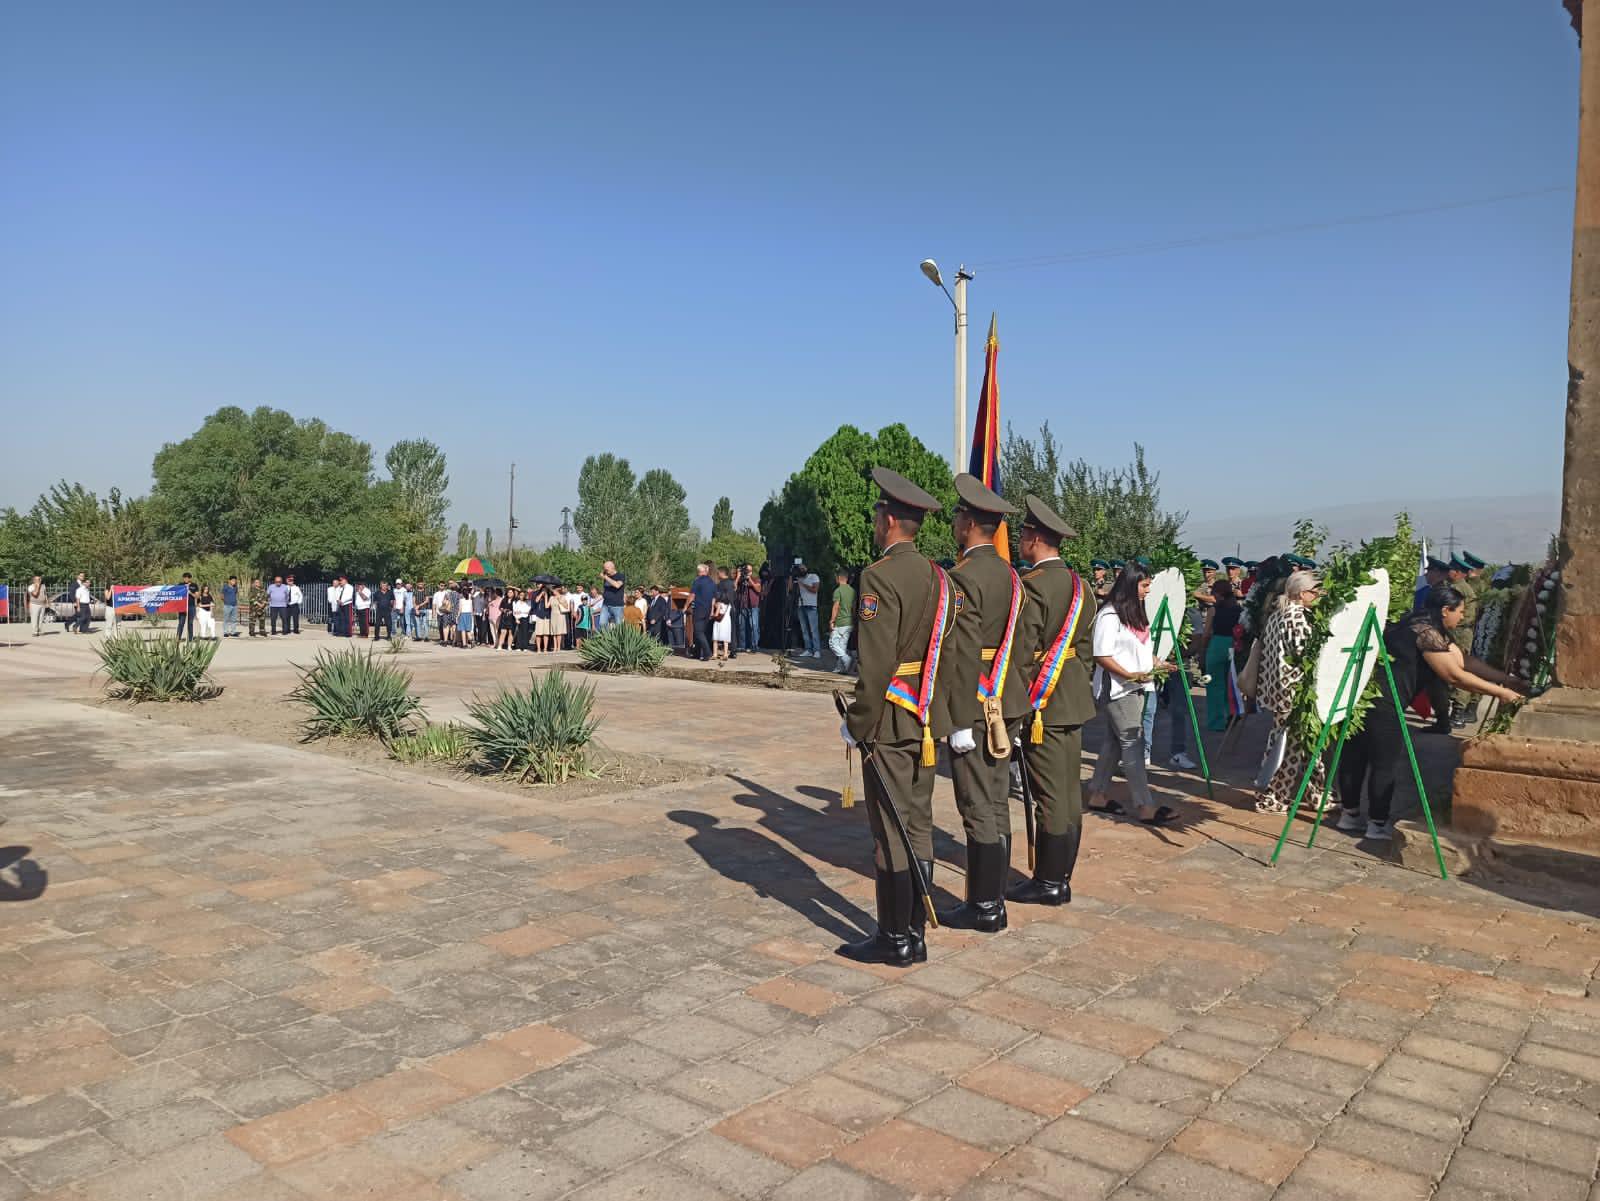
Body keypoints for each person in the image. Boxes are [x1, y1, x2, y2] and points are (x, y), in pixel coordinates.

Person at [839, 467, 956, 966]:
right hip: (926, 718)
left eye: (876, 516)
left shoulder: (879, 576)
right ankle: (915, 931)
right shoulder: (940, 578)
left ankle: (895, 938)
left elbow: (877, 664)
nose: (874, 523)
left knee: (889, 831)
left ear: (888, 520)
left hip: (889, 719)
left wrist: (857, 722)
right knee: (918, 824)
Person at [1336, 584, 1525, 840]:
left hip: (1362, 697)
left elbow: (1464, 661)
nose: (1462, 617)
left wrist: (1505, 680)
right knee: (1383, 763)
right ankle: (1377, 824)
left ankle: (1349, 815)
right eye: (1460, 611)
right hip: (1385, 702)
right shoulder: (1425, 632)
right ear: (1446, 610)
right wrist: (1501, 693)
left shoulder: (1418, 623)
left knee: (1354, 757)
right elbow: (1454, 675)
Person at [937, 475, 1031, 933]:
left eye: (958, 516)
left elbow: (960, 651)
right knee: (996, 800)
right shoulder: (1014, 577)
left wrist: (957, 718)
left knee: (977, 804)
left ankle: (984, 906)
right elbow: (1024, 644)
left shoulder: (963, 578)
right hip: (1007, 697)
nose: (955, 523)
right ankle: (995, 896)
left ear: (969, 523)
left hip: (974, 704)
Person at [1008, 495, 1096, 907]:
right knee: (1068, 792)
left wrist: (1016, 706)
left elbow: (1022, 654)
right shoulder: (1082, 587)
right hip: (1072, 699)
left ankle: (1049, 881)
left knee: (1050, 795)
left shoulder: (1033, 587)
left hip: (1044, 703)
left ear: (1035, 538)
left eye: (1023, 534)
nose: (1019, 540)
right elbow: (1087, 650)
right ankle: (1061, 875)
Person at [1085, 563, 1176, 825]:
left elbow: (1139, 648)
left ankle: (1098, 794)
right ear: (1130, 584)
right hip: (1117, 688)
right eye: (1144, 585)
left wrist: (1158, 663)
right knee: (1132, 741)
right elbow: (1101, 655)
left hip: (1134, 686)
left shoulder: (1133, 613)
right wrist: (1129, 675)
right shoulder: (1109, 615)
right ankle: (1145, 806)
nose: (1148, 591)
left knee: (1115, 741)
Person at [1255, 569, 1328, 816]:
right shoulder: (1297, 617)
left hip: (1281, 690)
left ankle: (1319, 794)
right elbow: (1305, 654)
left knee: (1307, 745)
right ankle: (1271, 797)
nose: (1318, 595)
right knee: (1287, 750)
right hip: (1293, 691)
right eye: (1315, 591)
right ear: (1301, 593)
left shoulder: (1278, 614)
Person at [1447, 552, 1488, 728]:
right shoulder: (1463, 586)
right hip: (1464, 631)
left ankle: (1460, 711)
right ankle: (1461, 710)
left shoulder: (1464, 588)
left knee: (1460, 670)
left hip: (1462, 632)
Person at [1203, 579, 1242, 732]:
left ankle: (1216, 722)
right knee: (1230, 684)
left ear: (1218, 594)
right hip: (1234, 645)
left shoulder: (1214, 610)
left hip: (1217, 645)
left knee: (1214, 685)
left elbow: (1206, 633)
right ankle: (1231, 715)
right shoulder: (1239, 610)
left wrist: (1202, 650)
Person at [828, 568, 856, 673]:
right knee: (842, 646)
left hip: (840, 622)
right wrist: (853, 620)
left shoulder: (838, 590)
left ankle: (846, 658)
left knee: (832, 643)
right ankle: (841, 668)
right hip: (849, 622)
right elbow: (854, 607)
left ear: (838, 578)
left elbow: (836, 607)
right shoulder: (852, 591)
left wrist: (832, 620)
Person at [691, 562, 717, 661]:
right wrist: (711, 611)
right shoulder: (712, 582)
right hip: (708, 610)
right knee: (703, 632)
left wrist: (685, 607)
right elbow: (714, 598)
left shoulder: (697, 581)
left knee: (698, 632)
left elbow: (692, 595)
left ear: (699, 571)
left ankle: (707, 652)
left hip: (699, 609)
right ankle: (697, 653)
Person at [795, 561, 821, 658]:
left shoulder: (814, 576)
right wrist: (791, 576)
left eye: (803, 568)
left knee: (813, 629)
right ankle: (808, 649)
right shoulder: (798, 578)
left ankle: (816, 650)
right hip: (801, 605)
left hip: (811, 606)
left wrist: (803, 584)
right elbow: (790, 588)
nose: (801, 570)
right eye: (800, 568)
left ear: (807, 568)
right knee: (804, 630)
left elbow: (815, 590)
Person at [737, 563, 761, 652]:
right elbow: (734, 587)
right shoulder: (740, 579)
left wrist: (749, 579)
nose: (748, 572)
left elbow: (758, 589)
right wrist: (738, 576)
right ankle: (742, 645)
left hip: (753, 606)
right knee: (742, 625)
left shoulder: (756, 578)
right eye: (746, 570)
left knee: (753, 625)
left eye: (749, 570)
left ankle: (754, 645)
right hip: (743, 605)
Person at [598, 561, 626, 629]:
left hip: (617, 606)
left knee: (619, 627)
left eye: (606, 569)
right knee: (602, 623)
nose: (605, 571)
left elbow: (617, 585)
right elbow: (606, 591)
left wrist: (605, 577)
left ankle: (617, 636)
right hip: (606, 605)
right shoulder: (607, 576)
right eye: (604, 569)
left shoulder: (620, 576)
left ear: (612, 567)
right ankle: (607, 635)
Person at [711, 584, 733, 661]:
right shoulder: (729, 604)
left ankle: (715, 654)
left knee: (715, 639)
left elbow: (716, 614)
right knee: (725, 640)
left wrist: (713, 607)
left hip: (719, 622)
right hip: (727, 622)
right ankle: (725, 654)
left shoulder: (719, 604)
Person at [174, 573, 195, 641]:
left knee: (190, 623)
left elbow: (197, 596)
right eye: (184, 577)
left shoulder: (194, 585)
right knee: (181, 623)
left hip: (191, 606)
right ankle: (178, 638)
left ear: (190, 578)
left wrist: (190, 592)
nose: (186, 579)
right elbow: (176, 594)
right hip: (182, 607)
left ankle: (190, 638)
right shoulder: (180, 585)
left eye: (187, 577)